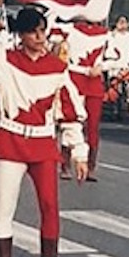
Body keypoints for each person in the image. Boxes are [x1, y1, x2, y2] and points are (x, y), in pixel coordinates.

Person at [0, 8, 89, 257]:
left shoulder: (57, 67)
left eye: (43, 31)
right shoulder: (5, 61)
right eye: (34, 31)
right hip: (11, 139)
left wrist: (78, 151)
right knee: (4, 208)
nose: (41, 37)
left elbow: (69, 111)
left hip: (43, 143)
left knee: (50, 207)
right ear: (21, 34)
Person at [49, 18, 109, 182]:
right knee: (71, 121)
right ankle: (65, 165)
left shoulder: (106, 34)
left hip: (94, 82)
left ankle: (90, 167)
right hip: (74, 79)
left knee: (93, 127)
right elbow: (51, 39)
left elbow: (116, 57)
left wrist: (102, 67)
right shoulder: (67, 29)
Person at [103, 15, 129, 120]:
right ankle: (115, 111)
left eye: (124, 22)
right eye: (120, 22)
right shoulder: (110, 35)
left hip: (126, 66)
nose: (122, 24)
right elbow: (104, 47)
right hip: (113, 66)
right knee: (114, 89)